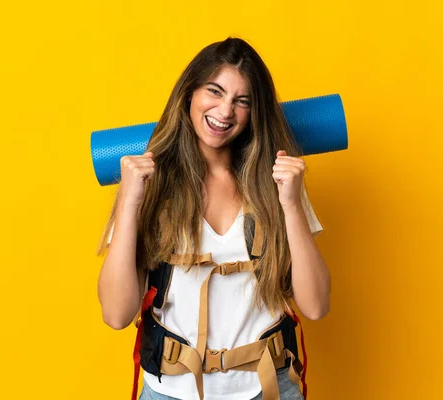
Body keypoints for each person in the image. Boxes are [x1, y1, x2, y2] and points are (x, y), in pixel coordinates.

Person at [97, 37, 331, 400]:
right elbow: (116, 314)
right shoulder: (147, 185)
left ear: (255, 112)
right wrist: (129, 201)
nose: (225, 111)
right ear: (189, 93)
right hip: (170, 392)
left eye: (242, 101)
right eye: (215, 91)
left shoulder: (279, 181)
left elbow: (315, 306)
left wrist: (290, 204)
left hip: (268, 389)